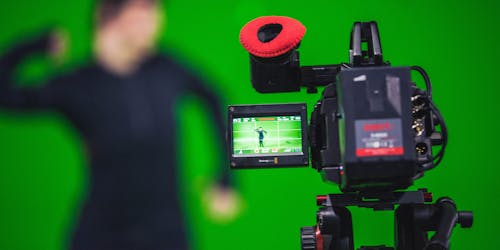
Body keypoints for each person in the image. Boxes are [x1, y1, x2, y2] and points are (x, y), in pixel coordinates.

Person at [0, 0, 235, 249]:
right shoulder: (77, 84)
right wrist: (34, 45)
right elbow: (6, 95)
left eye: (155, 15)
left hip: (167, 231)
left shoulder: (166, 68)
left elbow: (213, 96)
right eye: (142, 16)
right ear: (108, 18)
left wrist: (225, 177)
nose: (154, 25)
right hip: (103, 233)